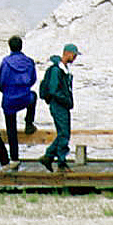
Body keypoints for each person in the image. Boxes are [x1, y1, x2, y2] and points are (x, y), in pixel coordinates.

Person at [39, 43, 79, 172]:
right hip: (59, 105)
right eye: (74, 55)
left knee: (63, 132)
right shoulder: (57, 70)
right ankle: (61, 162)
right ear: (67, 53)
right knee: (64, 133)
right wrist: (66, 100)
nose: (75, 58)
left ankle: (49, 156)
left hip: (61, 105)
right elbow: (53, 89)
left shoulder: (63, 68)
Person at [0, 35, 37, 164]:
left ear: (10, 46)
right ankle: (29, 123)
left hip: (9, 98)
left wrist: (8, 91)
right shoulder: (29, 62)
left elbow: (1, 81)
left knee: (11, 128)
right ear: (21, 46)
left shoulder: (5, 62)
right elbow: (32, 79)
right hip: (25, 96)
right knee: (33, 97)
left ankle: (14, 157)